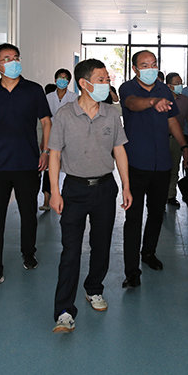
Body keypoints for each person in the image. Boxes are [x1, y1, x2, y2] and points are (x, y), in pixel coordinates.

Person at [49, 58, 132, 333]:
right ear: (84, 84)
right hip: (74, 189)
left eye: (107, 79)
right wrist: (54, 192)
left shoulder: (111, 114)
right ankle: (64, 310)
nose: (106, 83)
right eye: (101, 79)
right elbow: (54, 155)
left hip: (105, 188)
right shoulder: (64, 115)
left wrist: (126, 186)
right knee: (70, 250)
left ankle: (94, 288)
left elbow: (119, 150)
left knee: (101, 244)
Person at [0, 43, 52, 292]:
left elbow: (46, 122)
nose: (13, 62)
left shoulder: (33, 90)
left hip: (28, 164)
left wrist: (45, 151)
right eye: (7, 58)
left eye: (16, 57)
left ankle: (28, 253)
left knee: (28, 213)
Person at [119, 50, 188, 288]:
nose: (150, 68)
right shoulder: (127, 88)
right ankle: (132, 271)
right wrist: (152, 102)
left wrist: (184, 147)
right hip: (136, 163)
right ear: (135, 69)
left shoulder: (164, 90)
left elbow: (172, 120)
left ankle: (148, 252)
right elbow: (132, 104)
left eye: (153, 64)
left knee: (157, 213)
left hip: (162, 163)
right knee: (133, 217)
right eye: (144, 65)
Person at [40, 69, 78, 211]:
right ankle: (47, 199)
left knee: (71, 167)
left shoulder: (74, 98)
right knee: (49, 168)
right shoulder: (48, 98)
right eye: (60, 78)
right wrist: (44, 141)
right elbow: (45, 121)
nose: (62, 80)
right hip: (52, 136)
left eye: (65, 78)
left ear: (69, 81)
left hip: (70, 137)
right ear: (55, 80)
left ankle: (69, 199)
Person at [165, 72, 188, 208]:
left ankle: (171, 195)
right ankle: (159, 196)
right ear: (169, 85)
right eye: (176, 83)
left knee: (175, 168)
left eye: (181, 82)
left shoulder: (185, 100)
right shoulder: (162, 99)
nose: (180, 85)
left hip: (178, 139)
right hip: (162, 139)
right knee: (162, 169)